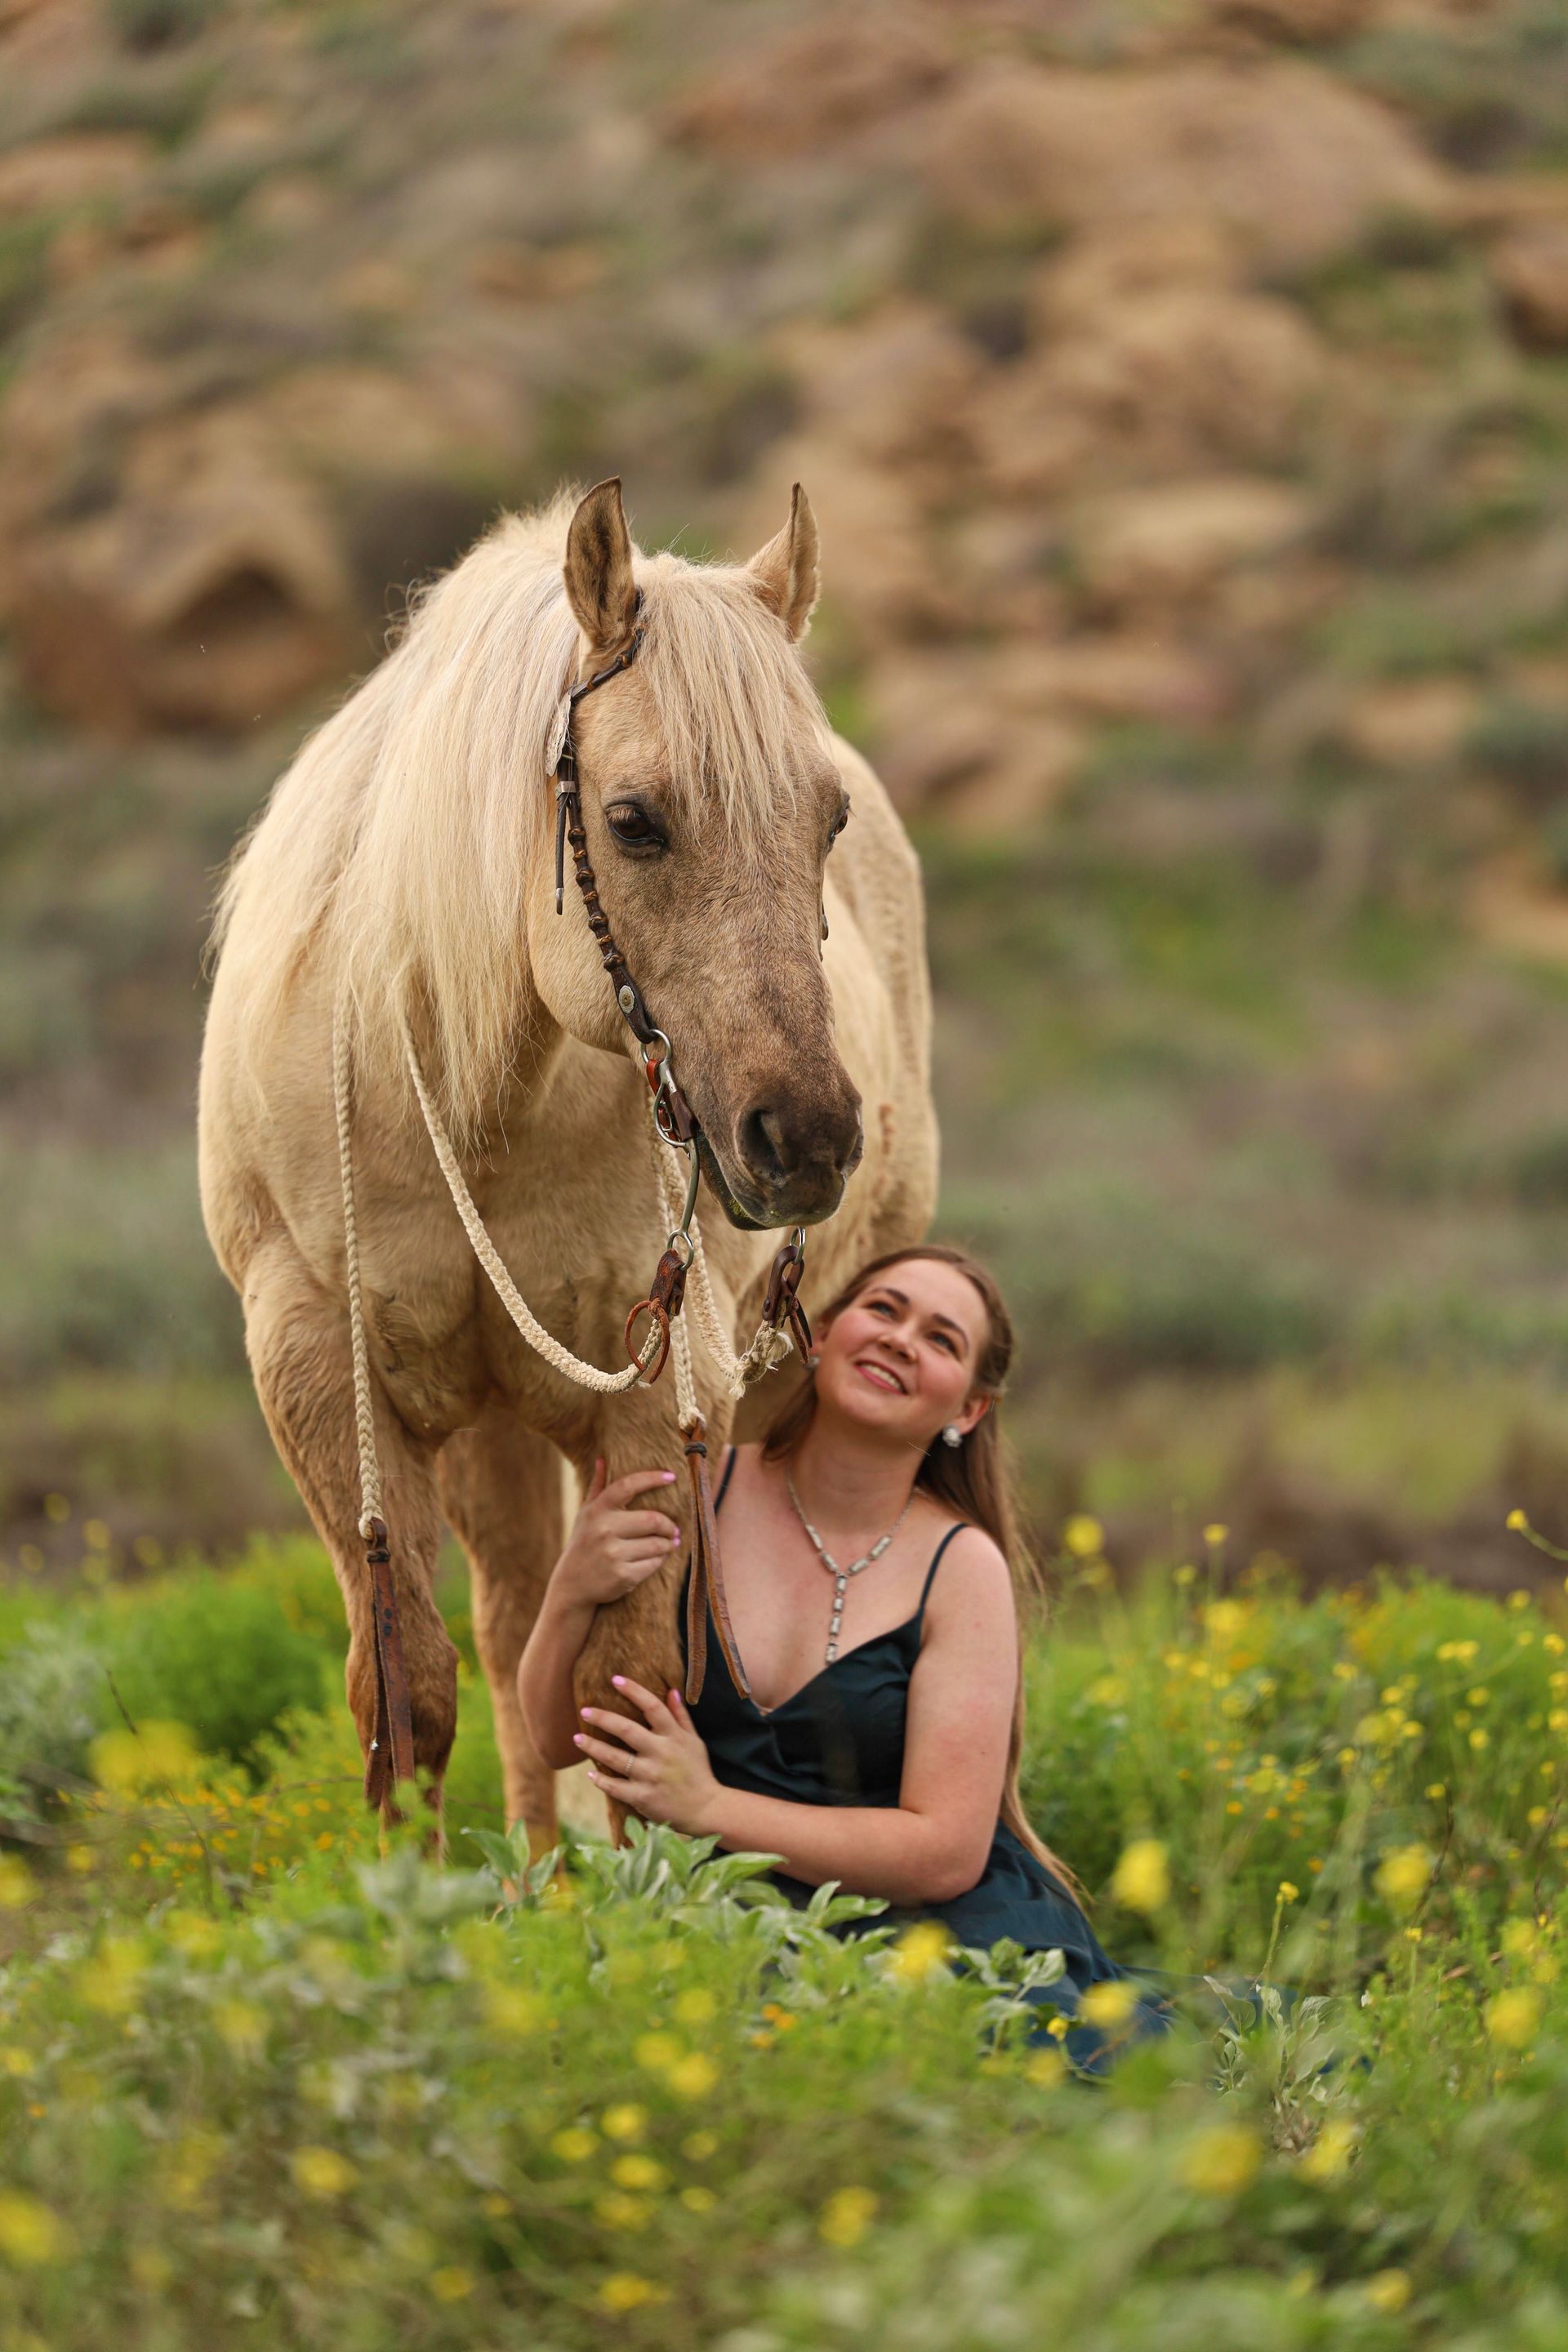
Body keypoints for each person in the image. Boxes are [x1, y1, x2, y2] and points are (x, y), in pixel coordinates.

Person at [519, 1245, 1254, 2076]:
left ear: (969, 1410)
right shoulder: (694, 1492)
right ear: (823, 1334)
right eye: (885, 1310)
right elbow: (556, 1741)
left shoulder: (960, 1565)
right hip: (727, 1925)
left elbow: (944, 1852)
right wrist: (571, 1592)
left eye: (941, 1340)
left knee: (997, 2076)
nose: (903, 1339)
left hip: (933, 1932)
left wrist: (709, 1808)